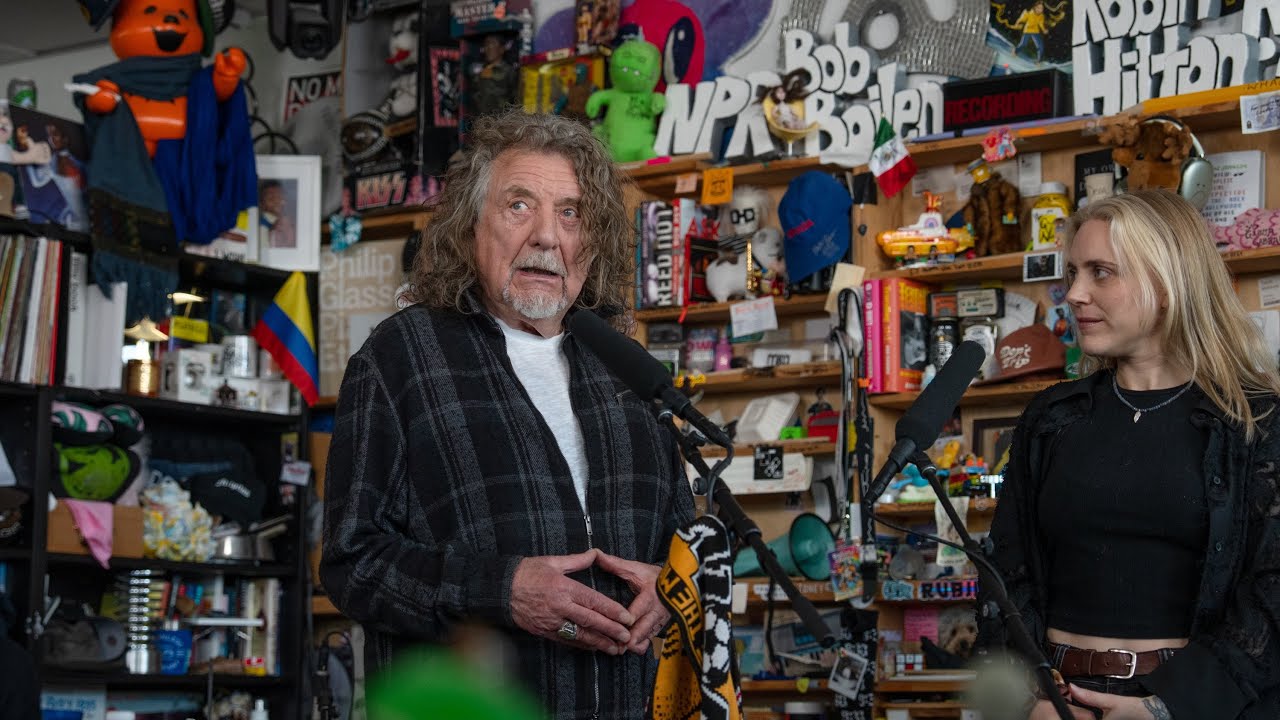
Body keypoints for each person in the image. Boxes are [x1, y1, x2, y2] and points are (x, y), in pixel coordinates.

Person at [321, 109, 696, 719]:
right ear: (471, 226)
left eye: (570, 213)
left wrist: (675, 588)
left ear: (590, 239)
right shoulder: (401, 358)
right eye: (519, 205)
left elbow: (684, 538)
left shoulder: (627, 370)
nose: (548, 236)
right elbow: (350, 563)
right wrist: (501, 590)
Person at [978, 189, 1280, 719]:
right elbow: (1007, 571)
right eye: (1073, 272)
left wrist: (1164, 709)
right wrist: (1033, 698)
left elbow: (1271, 597)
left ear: (1168, 283)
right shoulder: (1052, 418)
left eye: (1101, 272)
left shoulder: (1255, 422)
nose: (1074, 293)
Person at [258, 180, 296, 248]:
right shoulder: (260, 225)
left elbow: (291, 244)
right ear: (261, 204)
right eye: (271, 198)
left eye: (279, 197)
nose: (276, 201)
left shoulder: (288, 223)